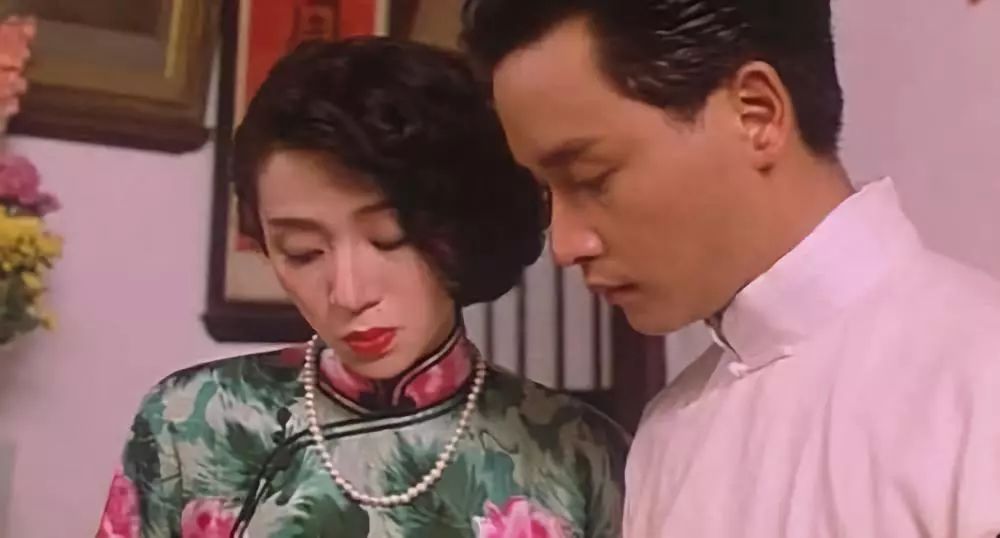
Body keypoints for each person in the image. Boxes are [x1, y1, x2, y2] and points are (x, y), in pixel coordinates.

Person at [461, 0, 1000, 536]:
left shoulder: (977, 384)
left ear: (756, 113)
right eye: (547, 193)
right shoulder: (667, 434)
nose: (564, 245)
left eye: (592, 178)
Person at [95, 37, 628, 537]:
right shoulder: (188, 422)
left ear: (463, 228)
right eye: (303, 251)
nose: (349, 294)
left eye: (389, 237)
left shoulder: (582, 455)